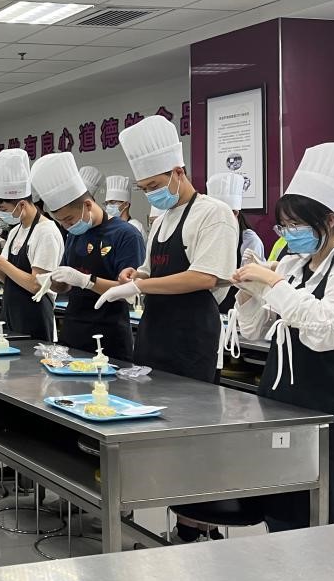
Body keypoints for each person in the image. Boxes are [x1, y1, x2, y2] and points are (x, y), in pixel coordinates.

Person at [231, 142, 334, 531]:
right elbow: (253, 331)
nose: (289, 234)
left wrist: (273, 284)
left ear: (329, 220)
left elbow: (325, 330)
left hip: (329, 418)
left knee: (330, 526)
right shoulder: (291, 266)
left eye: (296, 225)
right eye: (284, 226)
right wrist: (248, 293)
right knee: (282, 517)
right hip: (279, 406)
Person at [96, 116, 238, 383]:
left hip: (191, 338)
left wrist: (139, 286)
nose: (150, 194)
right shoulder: (162, 220)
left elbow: (204, 277)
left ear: (178, 173)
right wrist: (135, 275)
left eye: (154, 186)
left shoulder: (214, 213)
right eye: (144, 189)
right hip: (153, 332)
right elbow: (150, 271)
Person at [31, 153, 145, 359]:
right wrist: (52, 282)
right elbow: (66, 286)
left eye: (69, 219)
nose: (67, 226)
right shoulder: (75, 234)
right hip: (73, 331)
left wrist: (87, 281)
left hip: (109, 337)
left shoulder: (126, 235)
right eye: (61, 222)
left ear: (88, 205)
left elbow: (130, 293)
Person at [0, 150, 62, 340]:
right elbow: (8, 278)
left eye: (4, 209)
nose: (1, 214)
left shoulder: (46, 231)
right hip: (11, 313)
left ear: (22, 204)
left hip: (35, 316)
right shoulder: (16, 231)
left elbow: (36, 285)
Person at [208, 172, 266, 313]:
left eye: (231, 212)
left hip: (238, 311)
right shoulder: (207, 235)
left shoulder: (249, 241)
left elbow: (251, 284)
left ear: (236, 213)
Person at [104, 175, 145, 239]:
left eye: (112, 202)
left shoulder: (134, 226)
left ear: (126, 204)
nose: (108, 206)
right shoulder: (109, 227)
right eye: (106, 203)